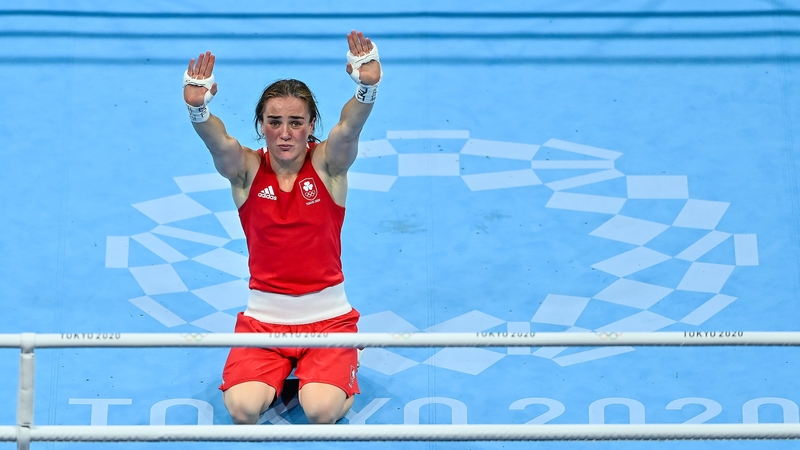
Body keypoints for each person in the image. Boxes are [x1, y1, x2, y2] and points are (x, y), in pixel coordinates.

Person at [182, 30, 382, 425]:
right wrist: (197, 111)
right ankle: (286, 371)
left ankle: (347, 354)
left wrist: (366, 89)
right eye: (275, 122)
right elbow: (218, 143)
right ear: (261, 124)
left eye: (296, 122)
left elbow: (350, 128)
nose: (285, 132)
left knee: (321, 412)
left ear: (311, 126)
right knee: (241, 410)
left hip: (329, 321)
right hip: (263, 322)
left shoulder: (328, 166)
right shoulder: (245, 171)